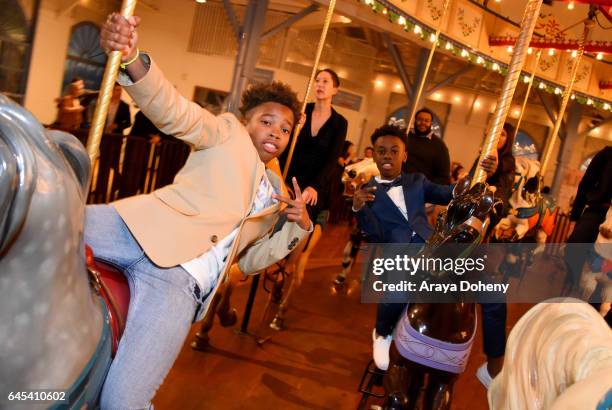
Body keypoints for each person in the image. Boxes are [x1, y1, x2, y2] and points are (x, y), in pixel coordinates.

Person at [93, 13, 313, 408]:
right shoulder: (226, 133)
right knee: (37, 222)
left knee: (122, 401)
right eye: (267, 121)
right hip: (140, 228)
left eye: (285, 129)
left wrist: (297, 228)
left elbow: (248, 263)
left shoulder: (278, 197)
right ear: (246, 121)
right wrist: (132, 59)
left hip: (180, 284)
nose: (276, 133)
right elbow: (175, 111)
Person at [353, 124, 498, 370]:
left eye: (394, 150)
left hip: (431, 247)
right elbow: (375, 235)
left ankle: (486, 357)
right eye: (381, 151)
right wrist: (359, 209)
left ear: (404, 155)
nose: (387, 155)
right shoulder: (368, 192)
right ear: (374, 155)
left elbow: (452, 193)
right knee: (398, 292)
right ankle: (383, 333)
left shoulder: (416, 181)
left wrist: (480, 169)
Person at [270, 68, 348, 328]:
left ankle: (288, 272)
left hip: (314, 189)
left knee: (302, 237)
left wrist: (314, 186)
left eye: (326, 81)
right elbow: (285, 146)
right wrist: (293, 127)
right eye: (317, 80)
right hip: (289, 180)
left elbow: (331, 159)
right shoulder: (301, 113)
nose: (320, 84)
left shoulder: (339, 123)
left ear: (335, 89)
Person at [473, 123, 517, 388]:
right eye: (495, 132)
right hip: (453, 237)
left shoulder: (506, 166)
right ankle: (388, 336)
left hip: (476, 242)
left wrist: (493, 176)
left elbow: (501, 204)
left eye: (503, 134)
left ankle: (493, 364)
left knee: (494, 299)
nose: (497, 137)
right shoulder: (479, 158)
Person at [565, 146, 612, 290]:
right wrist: (574, 218)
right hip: (599, 209)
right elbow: (586, 184)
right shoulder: (607, 154)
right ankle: (575, 280)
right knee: (575, 243)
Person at [402, 107, 451, 185]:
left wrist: (426, 188)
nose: (423, 123)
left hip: (421, 189)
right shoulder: (404, 135)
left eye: (426, 121)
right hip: (398, 183)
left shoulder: (439, 145)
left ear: (431, 123)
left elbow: (443, 176)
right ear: (415, 120)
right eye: (420, 119)